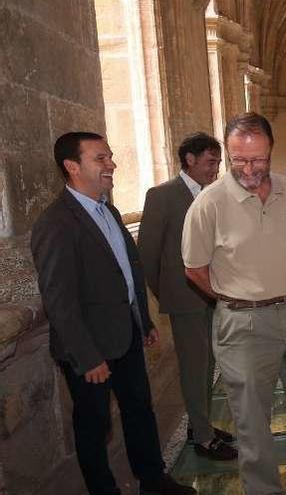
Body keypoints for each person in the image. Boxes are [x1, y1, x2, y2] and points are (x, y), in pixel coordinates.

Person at [182, 112, 286, 493]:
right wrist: (234, 297)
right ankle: (263, 487)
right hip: (243, 323)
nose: (249, 169)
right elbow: (194, 269)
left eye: (258, 159)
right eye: (239, 159)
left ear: (271, 150)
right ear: (227, 154)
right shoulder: (210, 204)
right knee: (252, 417)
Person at [30, 132, 195, 495]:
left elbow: (127, 270)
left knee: (140, 411)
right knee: (94, 425)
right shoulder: (56, 223)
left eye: (111, 157)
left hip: (127, 336)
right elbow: (59, 301)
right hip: (90, 349)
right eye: (100, 159)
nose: (111, 165)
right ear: (72, 167)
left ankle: (153, 480)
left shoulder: (109, 210)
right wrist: (87, 357)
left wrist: (144, 321)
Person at [138, 132, 237, 460]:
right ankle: (204, 439)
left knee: (208, 365)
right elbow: (148, 256)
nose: (216, 168)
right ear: (190, 160)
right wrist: (168, 293)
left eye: (218, 162)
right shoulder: (161, 196)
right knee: (194, 368)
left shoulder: (215, 194)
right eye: (211, 162)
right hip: (185, 298)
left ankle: (200, 424)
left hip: (213, 293)